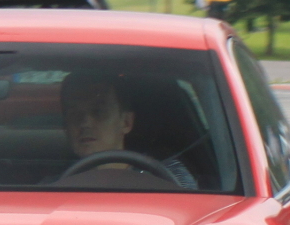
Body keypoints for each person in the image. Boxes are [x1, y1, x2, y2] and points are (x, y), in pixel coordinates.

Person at [57, 71, 194, 186]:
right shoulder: (53, 186)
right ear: (65, 127)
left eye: (98, 112)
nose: (84, 123)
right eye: (74, 114)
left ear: (126, 122)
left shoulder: (168, 175)